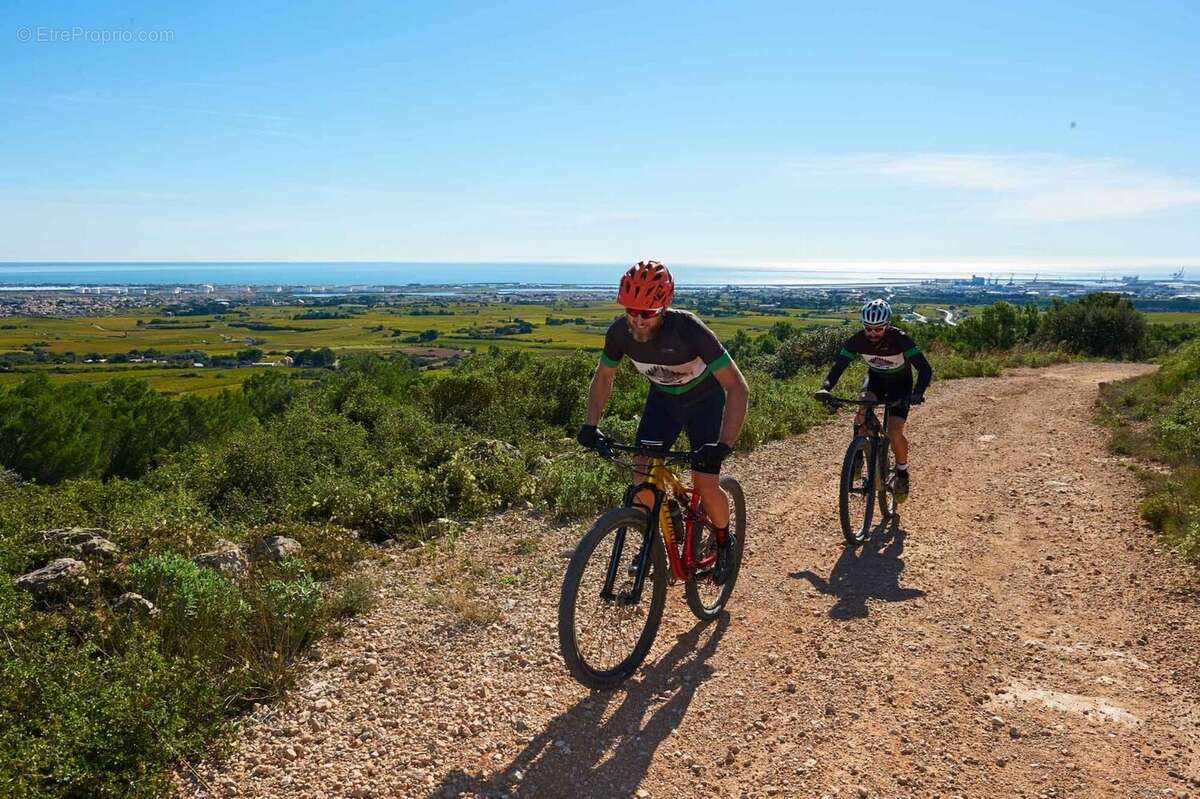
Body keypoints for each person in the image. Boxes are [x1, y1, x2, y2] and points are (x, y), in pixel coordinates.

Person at [577, 260, 749, 583]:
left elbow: (737, 386)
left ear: (664, 306)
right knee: (641, 480)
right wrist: (590, 424)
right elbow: (604, 377)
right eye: (631, 311)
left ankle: (725, 542)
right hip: (664, 402)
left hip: (705, 402)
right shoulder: (619, 333)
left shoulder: (690, 330)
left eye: (647, 313)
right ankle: (655, 535)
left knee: (705, 483)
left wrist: (724, 445)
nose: (638, 321)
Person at [814, 298, 932, 499]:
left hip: (900, 386)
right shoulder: (857, 340)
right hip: (875, 381)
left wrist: (918, 392)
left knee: (894, 432)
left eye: (878, 329)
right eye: (868, 329)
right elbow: (838, 367)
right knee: (861, 410)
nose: (872, 334)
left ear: (887, 325)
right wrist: (825, 388)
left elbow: (925, 369)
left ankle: (902, 472)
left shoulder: (900, 339)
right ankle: (858, 455)